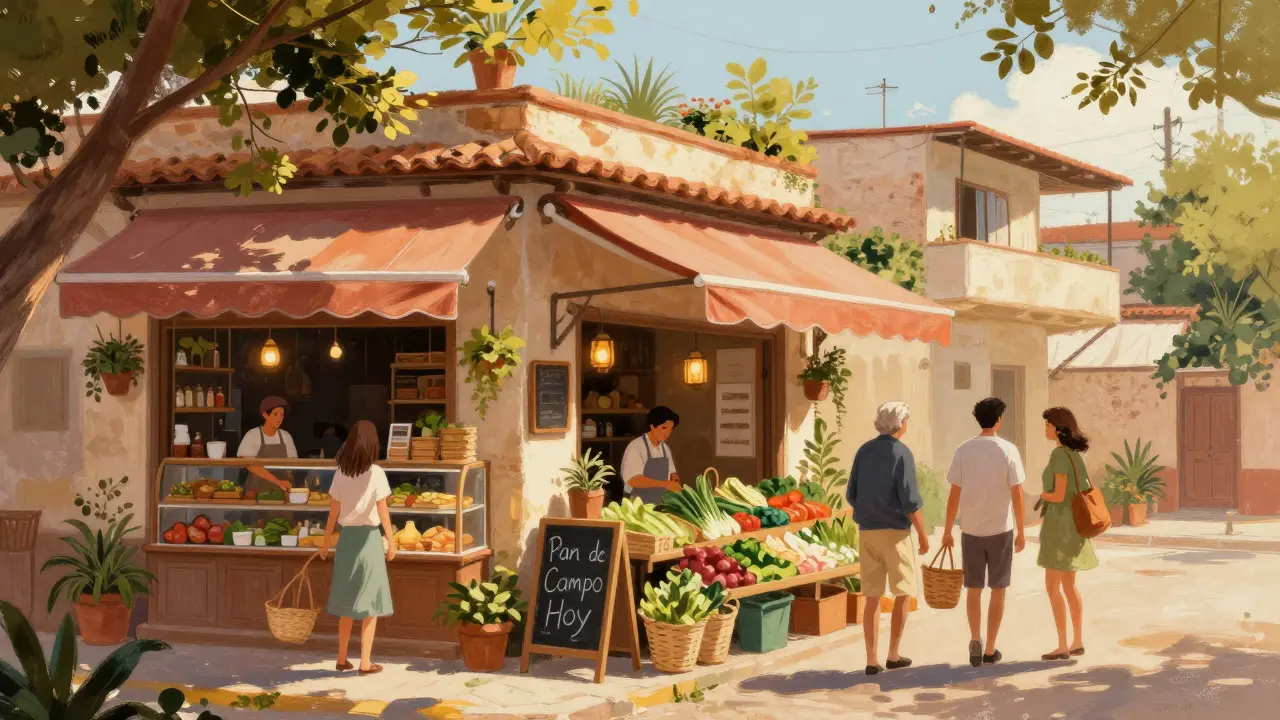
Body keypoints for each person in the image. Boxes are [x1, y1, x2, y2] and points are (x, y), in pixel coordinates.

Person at [941, 397, 1027, 668]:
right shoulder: (1008, 450)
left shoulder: (963, 450)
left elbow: (954, 494)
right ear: (998, 420)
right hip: (1001, 529)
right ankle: (990, 647)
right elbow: (1017, 493)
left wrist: (947, 531)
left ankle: (975, 638)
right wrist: (1022, 530)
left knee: (974, 588)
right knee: (998, 588)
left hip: (971, 530)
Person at [847, 401, 929, 676]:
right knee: (903, 592)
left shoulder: (864, 450)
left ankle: (871, 660)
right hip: (895, 533)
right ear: (901, 423)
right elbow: (910, 500)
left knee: (871, 597)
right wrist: (923, 534)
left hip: (867, 531)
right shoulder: (901, 453)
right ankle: (893, 653)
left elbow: (851, 493)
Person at [321, 420, 396, 675]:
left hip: (346, 540)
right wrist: (391, 539)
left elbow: (334, 509)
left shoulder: (340, 473)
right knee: (370, 606)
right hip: (369, 539)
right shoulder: (376, 473)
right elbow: (382, 508)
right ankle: (365, 662)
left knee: (346, 604)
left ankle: (341, 659)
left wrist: (325, 539)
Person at [1038, 406, 1098, 661]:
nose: (1045, 429)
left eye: (1048, 425)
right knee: (1070, 586)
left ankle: (1062, 644)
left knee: (1053, 586)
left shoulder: (1059, 455)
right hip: (1074, 525)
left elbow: (1060, 494)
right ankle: (1077, 640)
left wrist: (1043, 495)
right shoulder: (1075, 456)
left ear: (1058, 429)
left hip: (1059, 525)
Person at [620, 406, 683, 505]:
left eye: (670, 429)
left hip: (659, 504)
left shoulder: (665, 449)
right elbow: (633, 480)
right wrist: (664, 484)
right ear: (652, 426)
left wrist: (674, 478)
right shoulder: (636, 447)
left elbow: (671, 473)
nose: (667, 433)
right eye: (664, 428)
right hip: (636, 505)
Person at [235, 396, 296, 492]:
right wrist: (277, 481)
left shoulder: (286, 437)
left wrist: (292, 488)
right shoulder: (252, 435)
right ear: (265, 415)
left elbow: (292, 467)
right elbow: (249, 464)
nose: (279, 418)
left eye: (282, 415)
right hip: (256, 492)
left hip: (282, 491)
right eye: (275, 414)